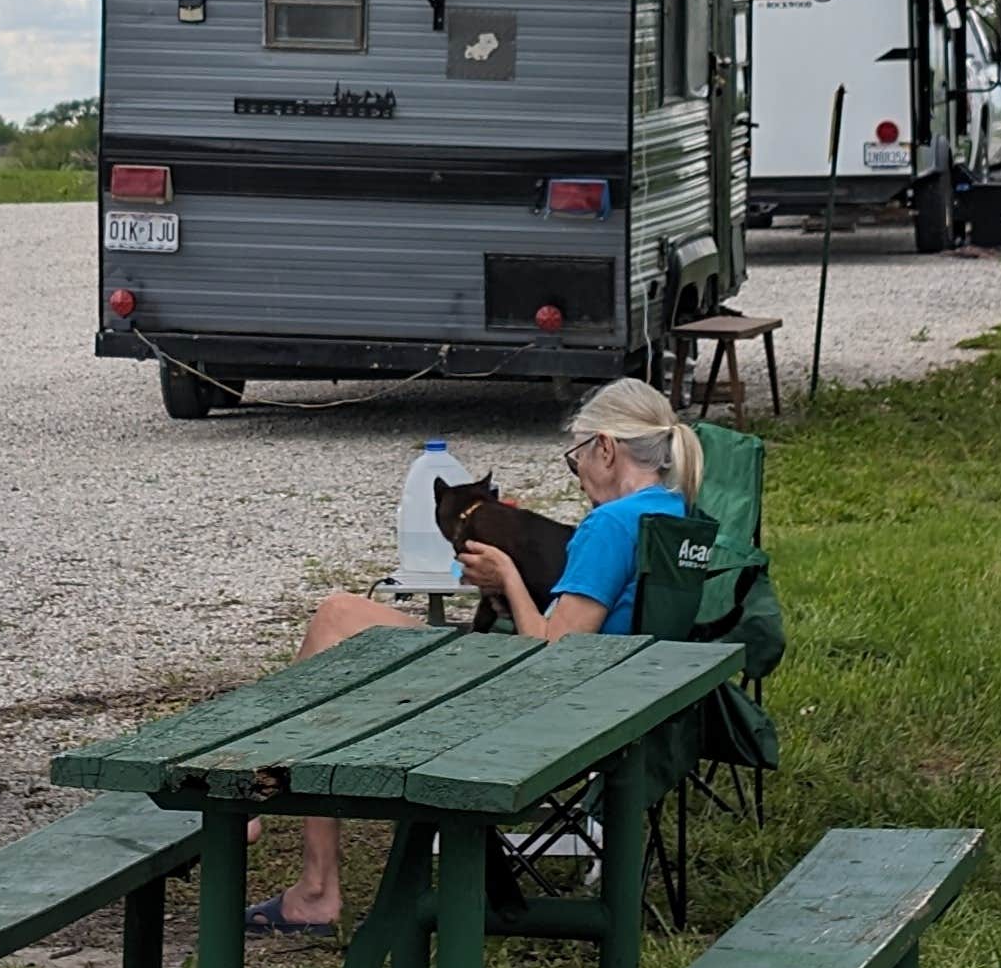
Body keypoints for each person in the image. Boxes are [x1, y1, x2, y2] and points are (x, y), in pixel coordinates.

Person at [264, 384, 693, 936]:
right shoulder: (673, 512)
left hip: (548, 710)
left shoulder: (610, 526)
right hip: (619, 705)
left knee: (337, 617)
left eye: (577, 457)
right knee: (342, 618)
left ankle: (309, 871)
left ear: (606, 449)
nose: (579, 472)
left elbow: (556, 653)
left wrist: (508, 576)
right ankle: (295, 835)